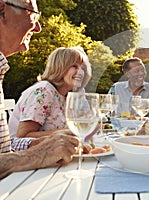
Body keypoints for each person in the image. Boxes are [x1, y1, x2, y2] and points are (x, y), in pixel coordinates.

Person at [0, 0, 78, 179]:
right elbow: (21, 135)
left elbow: (6, 147)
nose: (38, 28)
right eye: (33, 15)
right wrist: (37, 154)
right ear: (3, 10)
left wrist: (44, 144)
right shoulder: (44, 90)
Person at [9, 46, 92, 138]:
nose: (80, 72)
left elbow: (85, 124)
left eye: (83, 68)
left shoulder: (73, 94)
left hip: (57, 149)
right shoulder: (44, 91)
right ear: (60, 67)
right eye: (74, 66)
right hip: (25, 150)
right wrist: (68, 132)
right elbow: (23, 136)